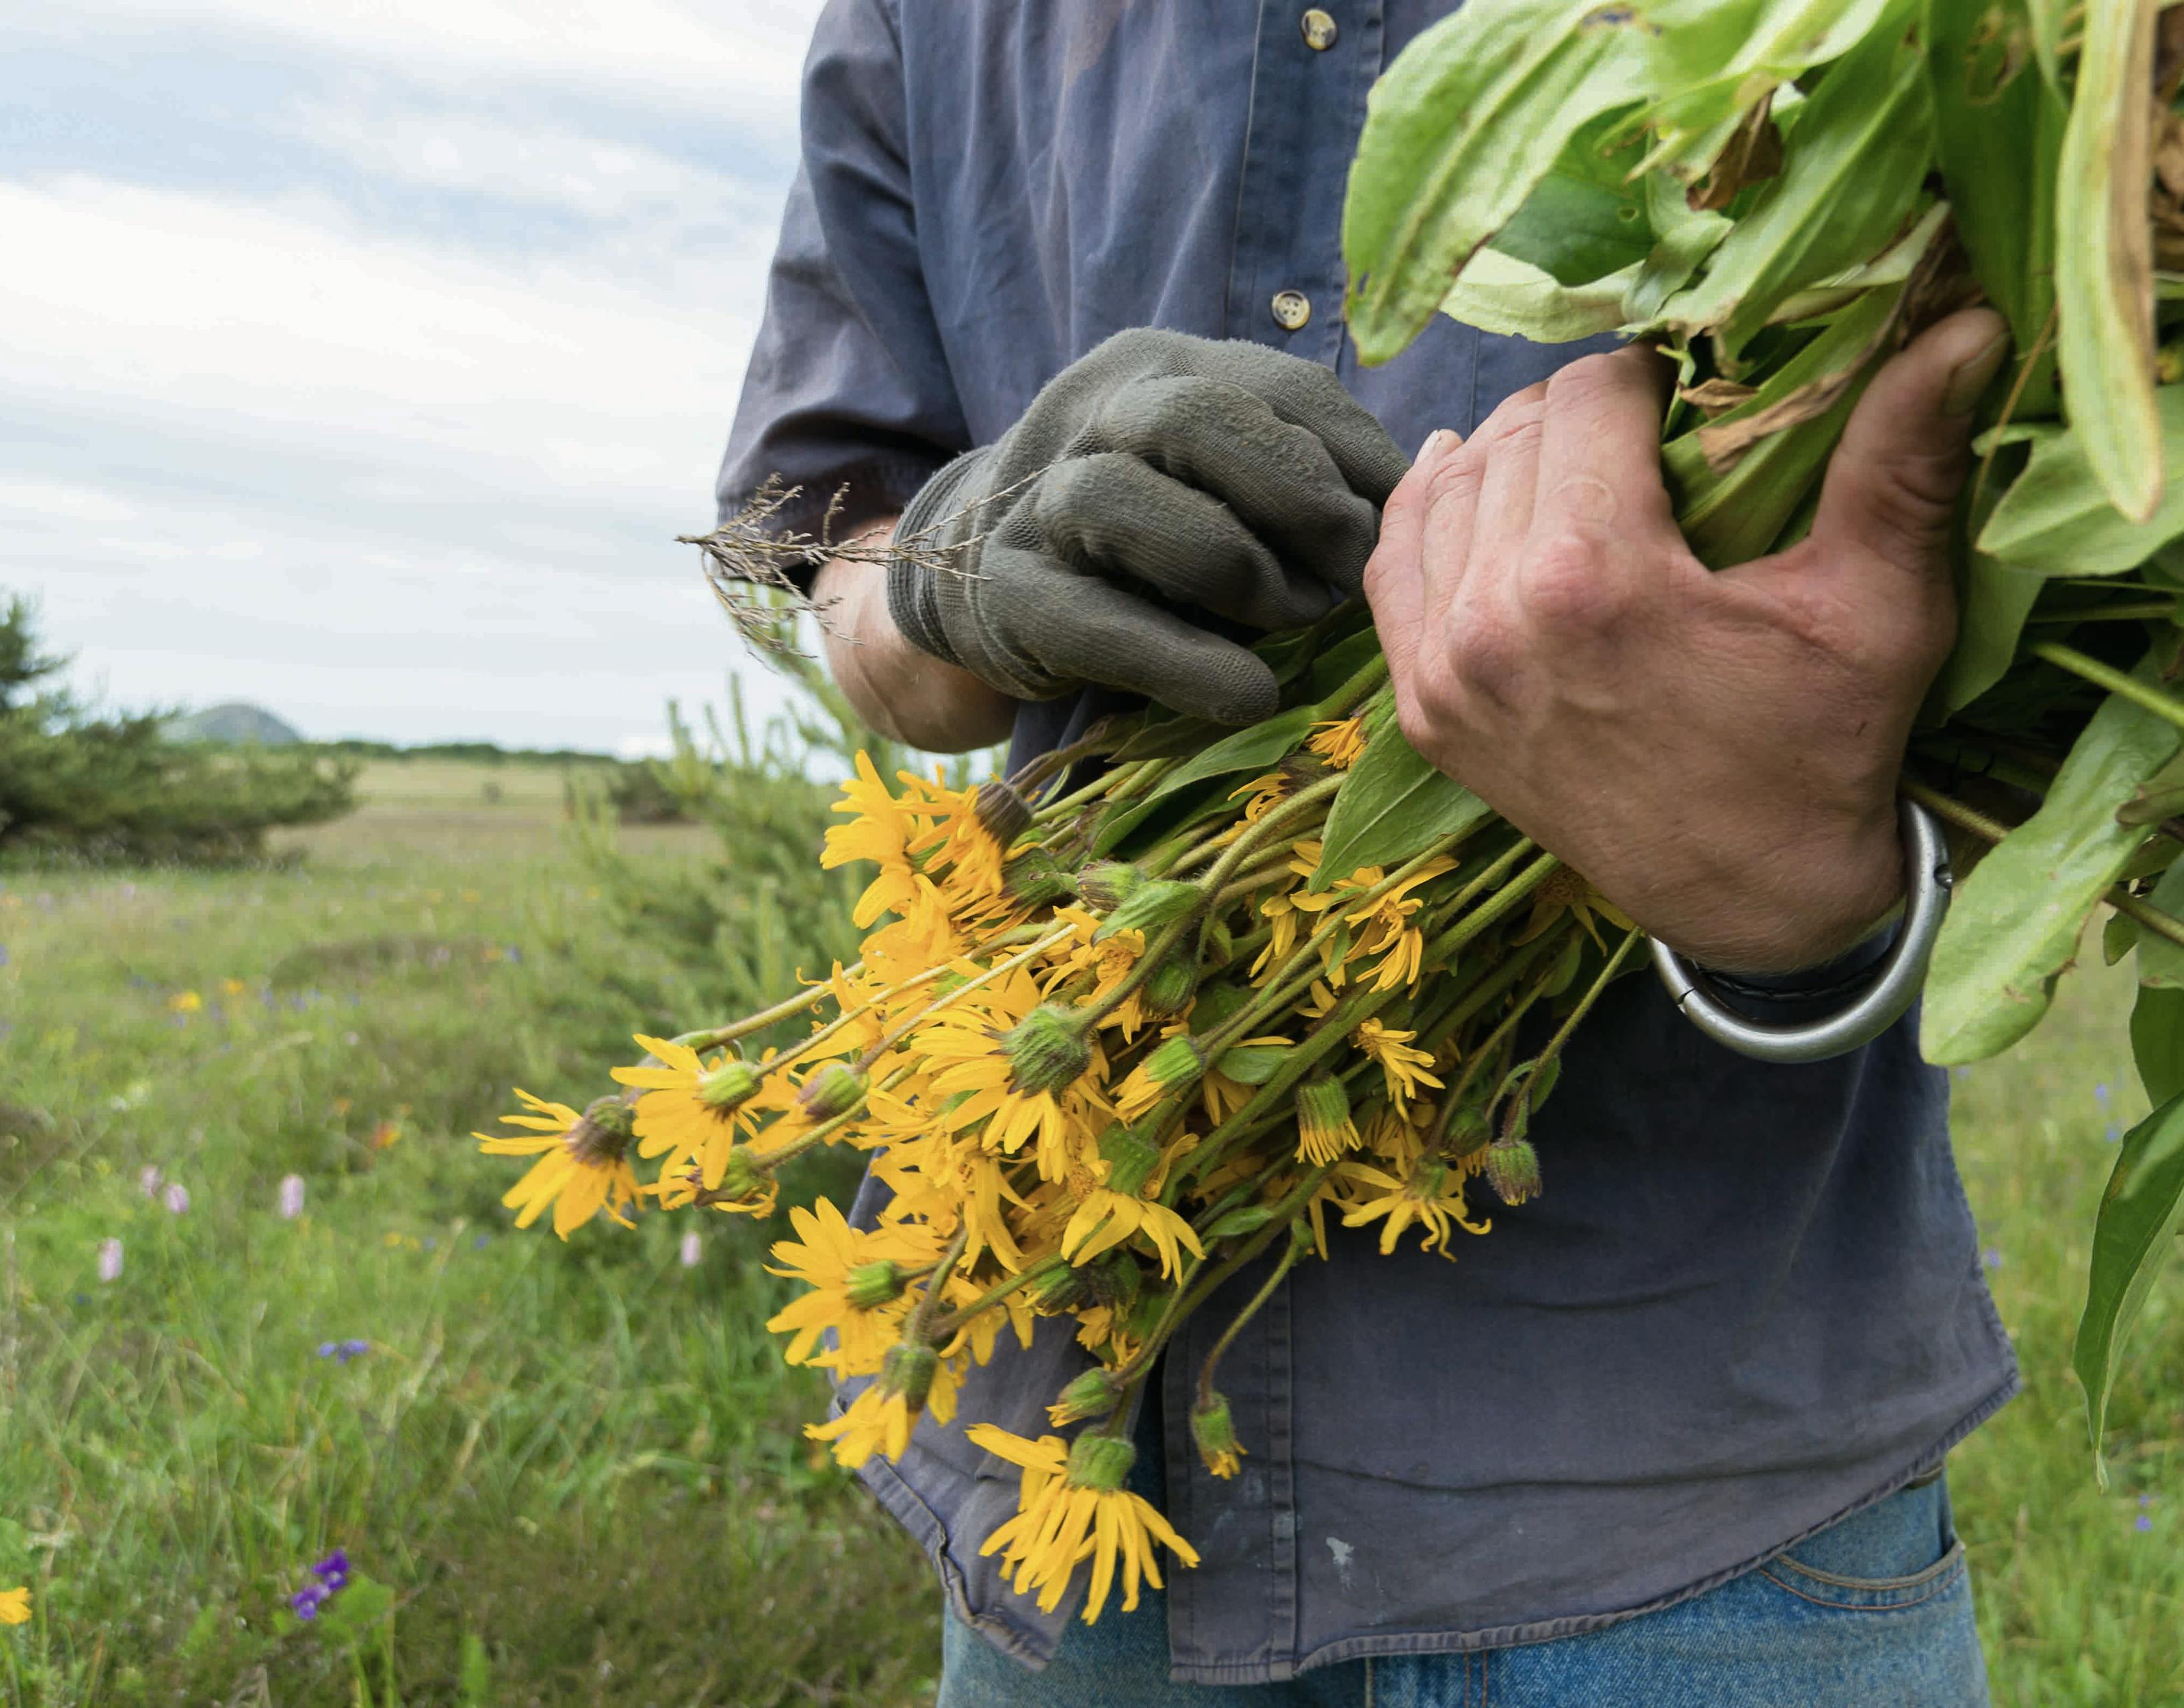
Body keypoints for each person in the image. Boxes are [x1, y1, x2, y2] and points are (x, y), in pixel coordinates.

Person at [718, 5, 2019, 1703]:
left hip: (1688, 1466)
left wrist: (1788, 868)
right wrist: (951, 570)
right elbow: (821, 550)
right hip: (1071, 1435)